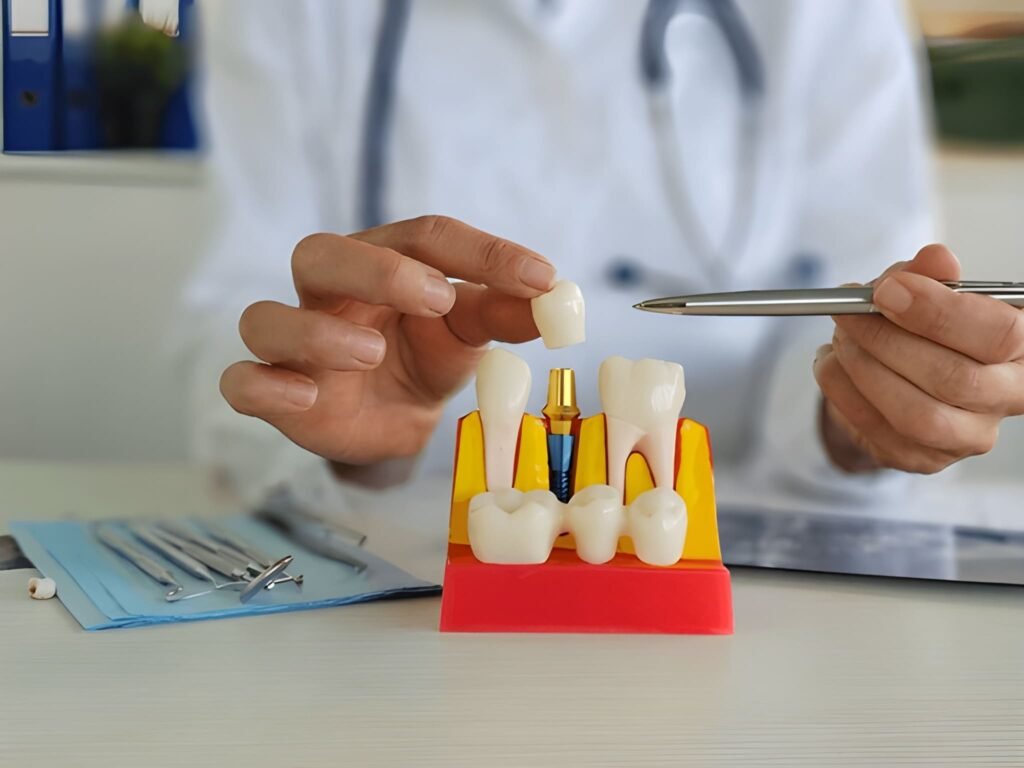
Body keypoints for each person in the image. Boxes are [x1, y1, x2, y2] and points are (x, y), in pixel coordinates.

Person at [180, 1, 1024, 513]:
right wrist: (334, 414)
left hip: (745, 570)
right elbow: (232, 328)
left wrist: (875, 403)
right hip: (410, 576)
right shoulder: (290, 11)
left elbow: (864, 308)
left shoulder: (823, 12)